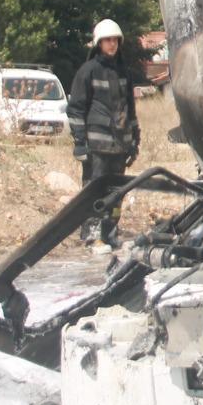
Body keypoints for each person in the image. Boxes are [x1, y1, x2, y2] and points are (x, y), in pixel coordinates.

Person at [68, 18, 140, 242]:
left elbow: (130, 110)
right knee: (94, 191)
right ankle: (91, 235)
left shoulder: (124, 72)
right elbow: (76, 109)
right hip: (97, 147)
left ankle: (109, 233)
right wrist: (80, 144)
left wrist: (134, 141)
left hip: (120, 146)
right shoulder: (88, 71)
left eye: (115, 40)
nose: (112, 44)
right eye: (108, 40)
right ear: (99, 43)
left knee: (116, 193)